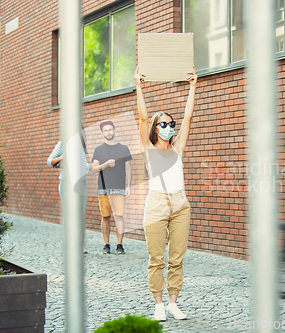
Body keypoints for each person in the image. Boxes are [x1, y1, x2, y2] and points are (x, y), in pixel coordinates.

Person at [134, 66, 197, 321]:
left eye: (171, 124)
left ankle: (173, 302)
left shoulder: (177, 147)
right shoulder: (148, 149)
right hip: (157, 204)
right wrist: (138, 85)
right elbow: (142, 117)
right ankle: (158, 304)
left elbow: (188, 117)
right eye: (164, 124)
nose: (170, 127)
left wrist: (193, 86)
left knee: (177, 257)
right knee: (156, 258)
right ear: (155, 128)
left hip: (180, 203)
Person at [90, 120, 132, 255]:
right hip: (103, 188)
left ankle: (120, 245)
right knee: (105, 216)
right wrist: (107, 164)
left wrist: (129, 186)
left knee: (119, 216)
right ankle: (106, 244)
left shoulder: (123, 148)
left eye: (110, 129)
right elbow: (94, 169)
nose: (108, 132)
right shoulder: (99, 150)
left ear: (115, 131)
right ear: (102, 133)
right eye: (105, 130)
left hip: (119, 187)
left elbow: (128, 168)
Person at [47, 129, 90, 253]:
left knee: (80, 215)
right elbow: (50, 161)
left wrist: (91, 166)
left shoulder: (82, 146)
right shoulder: (63, 144)